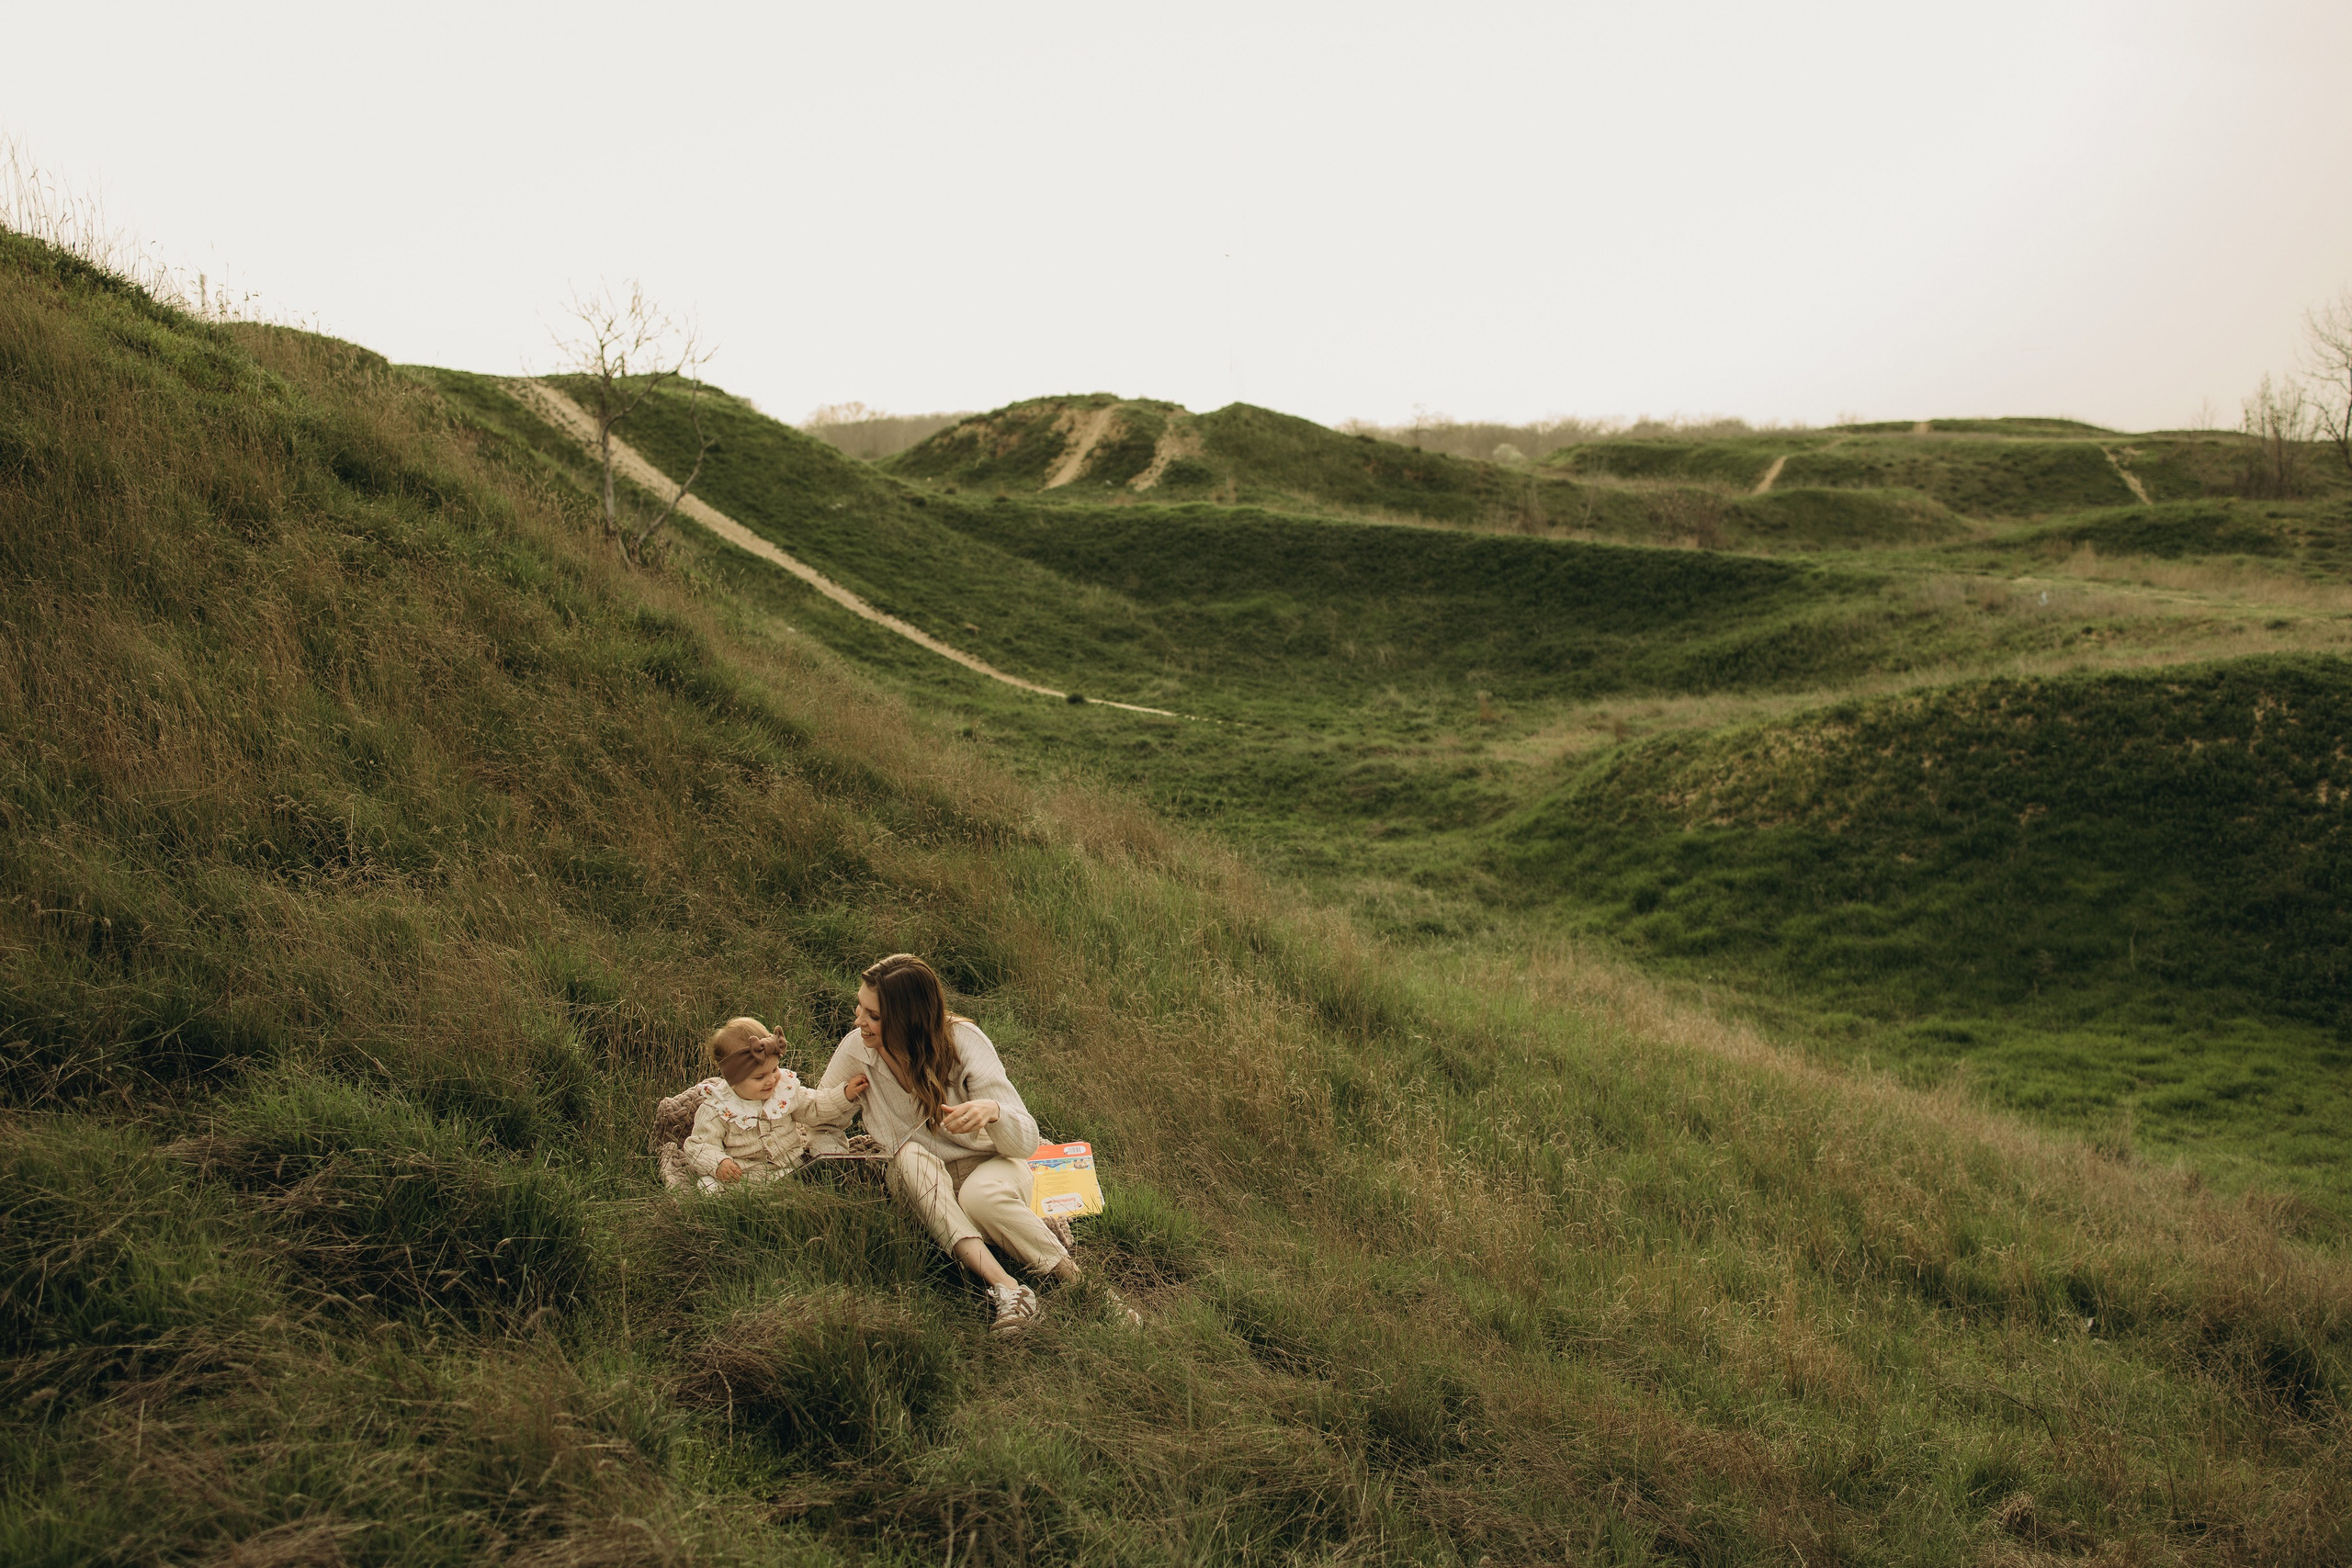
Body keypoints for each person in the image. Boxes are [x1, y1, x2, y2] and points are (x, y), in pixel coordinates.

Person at [814, 953, 1074, 1333]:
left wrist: (994, 1111)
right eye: (860, 1007)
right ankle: (1010, 1289)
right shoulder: (858, 1050)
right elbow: (819, 1117)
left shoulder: (964, 1042)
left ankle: (1081, 1283)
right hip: (919, 1179)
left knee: (978, 1197)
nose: (858, 1021)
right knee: (907, 1156)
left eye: (873, 1016)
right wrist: (837, 1135)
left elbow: (1027, 1143)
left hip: (989, 1167)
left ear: (907, 1020)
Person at [684, 1017, 869, 1190]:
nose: (771, 1080)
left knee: (817, 1172)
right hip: (745, 1176)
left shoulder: (783, 1091)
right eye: (760, 1077)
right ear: (734, 1080)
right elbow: (700, 1146)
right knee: (708, 1186)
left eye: (774, 1069)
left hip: (790, 1167)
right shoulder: (719, 1109)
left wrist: (844, 1095)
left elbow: (814, 1106)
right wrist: (720, 1163)